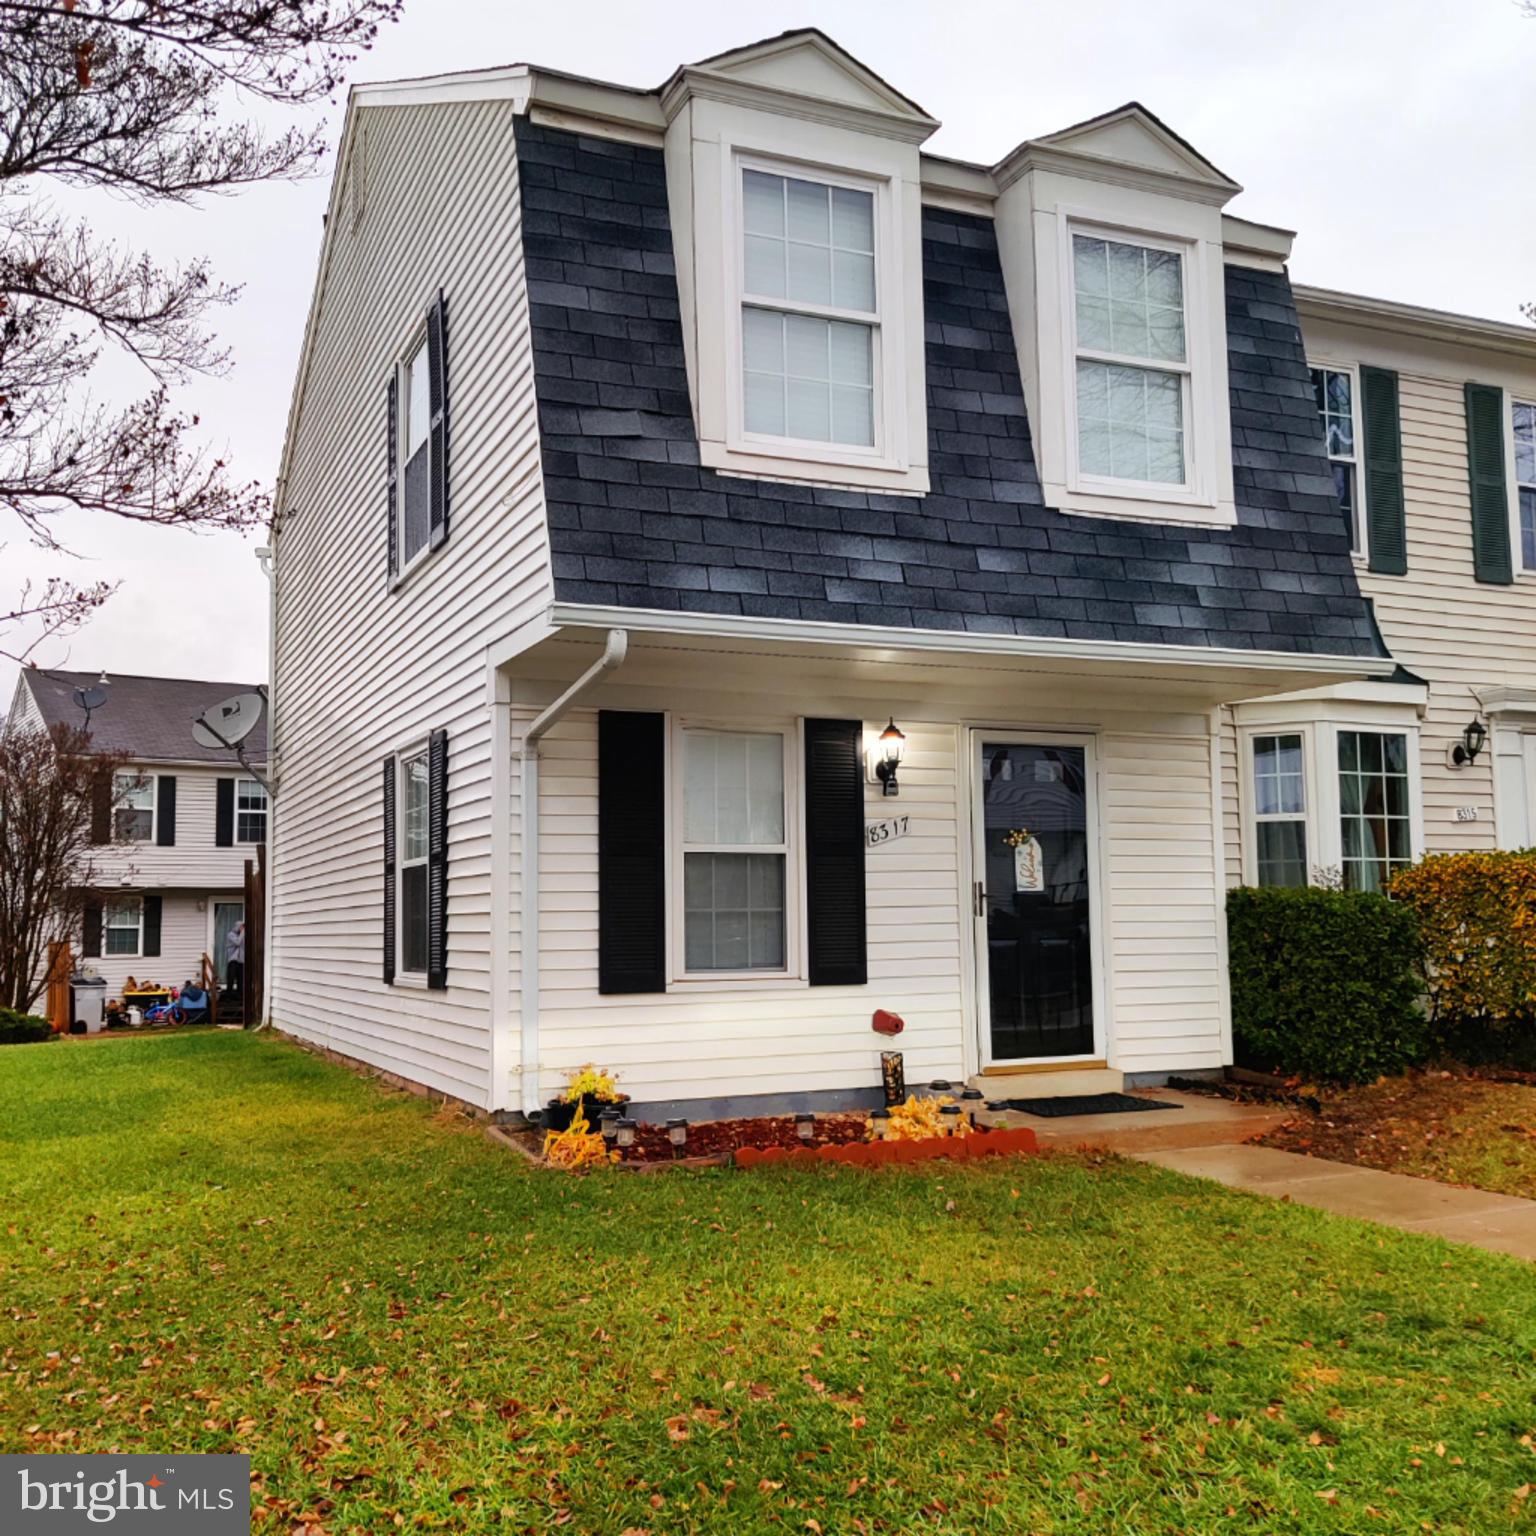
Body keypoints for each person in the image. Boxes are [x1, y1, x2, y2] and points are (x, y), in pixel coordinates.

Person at [225, 920, 245, 997]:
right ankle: (228, 996)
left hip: (241, 960)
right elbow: (237, 942)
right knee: (231, 978)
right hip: (233, 960)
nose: (242, 929)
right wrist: (243, 932)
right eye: (241, 927)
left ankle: (239, 996)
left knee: (240, 979)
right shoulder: (230, 935)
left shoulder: (242, 935)